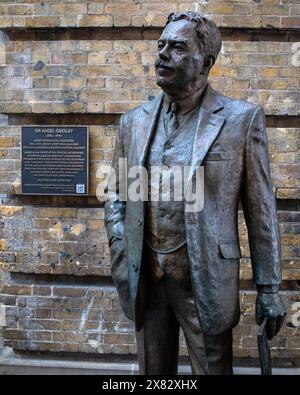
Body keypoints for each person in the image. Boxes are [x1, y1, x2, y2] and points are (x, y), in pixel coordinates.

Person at [104, 12, 286, 375]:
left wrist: (268, 287)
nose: (162, 54)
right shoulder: (135, 122)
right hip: (147, 277)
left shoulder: (240, 120)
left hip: (206, 279)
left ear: (206, 61)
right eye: (161, 45)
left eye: (177, 47)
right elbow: (117, 194)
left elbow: (261, 211)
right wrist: (122, 241)